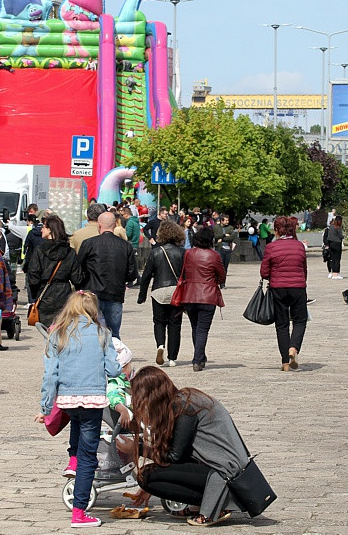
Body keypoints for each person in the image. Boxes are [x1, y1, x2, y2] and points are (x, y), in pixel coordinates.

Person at [127, 367, 258, 527]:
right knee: (149, 477)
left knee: (146, 475)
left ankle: (219, 505)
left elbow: (176, 456)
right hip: (224, 469)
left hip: (225, 475)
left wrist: (138, 448)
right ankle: (201, 504)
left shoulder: (184, 408)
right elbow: (184, 452)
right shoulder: (184, 399)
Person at [36, 291, 122, 528]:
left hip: (67, 399)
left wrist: (45, 407)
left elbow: (50, 375)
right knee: (88, 457)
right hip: (93, 399)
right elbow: (114, 370)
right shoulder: (102, 334)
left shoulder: (58, 335)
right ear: (94, 310)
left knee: (76, 421)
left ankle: (71, 459)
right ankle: (79, 512)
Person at [77, 212, 138, 339]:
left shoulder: (88, 243)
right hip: (115, 293)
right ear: (115, 225)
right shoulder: (126, 246)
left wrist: (82, 284)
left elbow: (79, 268)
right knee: (113, 334)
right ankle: (113, 356)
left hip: (92, 293)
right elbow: (132, 274)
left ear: (99, 226)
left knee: (90, 332)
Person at [172, 227, 225, 372]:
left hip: (189, 295)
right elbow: (221, 276)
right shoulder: (214, 256)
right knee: (202, 329)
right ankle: (197, 359)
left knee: (195, 327)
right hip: (207, 295)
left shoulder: (188, 253)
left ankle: (200, 356)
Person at [261, 217, 308, 372]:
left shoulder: (271, 247)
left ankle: (285, 362)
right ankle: (293, 348)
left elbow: (264, 272)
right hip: (298, 287)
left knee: (281, 324)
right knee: (300, 320)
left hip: (278, 288)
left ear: (276, 230)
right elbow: (304, 269)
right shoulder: (299, 246)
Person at [137, 221, 186, 367]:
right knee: (175, 324)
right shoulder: (182, 252)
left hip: (158, 291)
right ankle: (172, 357)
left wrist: (142, 295)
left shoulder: (156, 252)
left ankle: (160, 345)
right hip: (176, 292)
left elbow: (146, 276)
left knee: (159, 322)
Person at [27, 215, 84, 326]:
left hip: (44, 295)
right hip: (64, 295)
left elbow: (33, 275)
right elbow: (77, 279)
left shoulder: (39, 250)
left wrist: (35, 294)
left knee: (47, 331)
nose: (41, 229)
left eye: (43, 227)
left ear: (50, 229)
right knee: (63, 330)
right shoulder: (69, 252)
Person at [212, 214, 237, 287]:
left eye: (228, 220)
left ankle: (223, 283)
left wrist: (222, 239)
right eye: (225, 220)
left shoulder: (230, 228)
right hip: (219, 249)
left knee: (225, 267)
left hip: (227, 249)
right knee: (219, 266)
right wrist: (224, 235)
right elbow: (215, 236)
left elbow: (232, 237)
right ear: (221, 221)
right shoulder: (216, 227)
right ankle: (217, 281)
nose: (227, 222)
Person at [325, 216, 344, 280]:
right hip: (337, 244)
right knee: (337, 259)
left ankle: (333, 272)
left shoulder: (331, 227)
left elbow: (328, 236)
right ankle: (336, 273)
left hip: (331, 244)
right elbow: (341, 236)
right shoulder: (338, 227)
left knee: (332, 259)